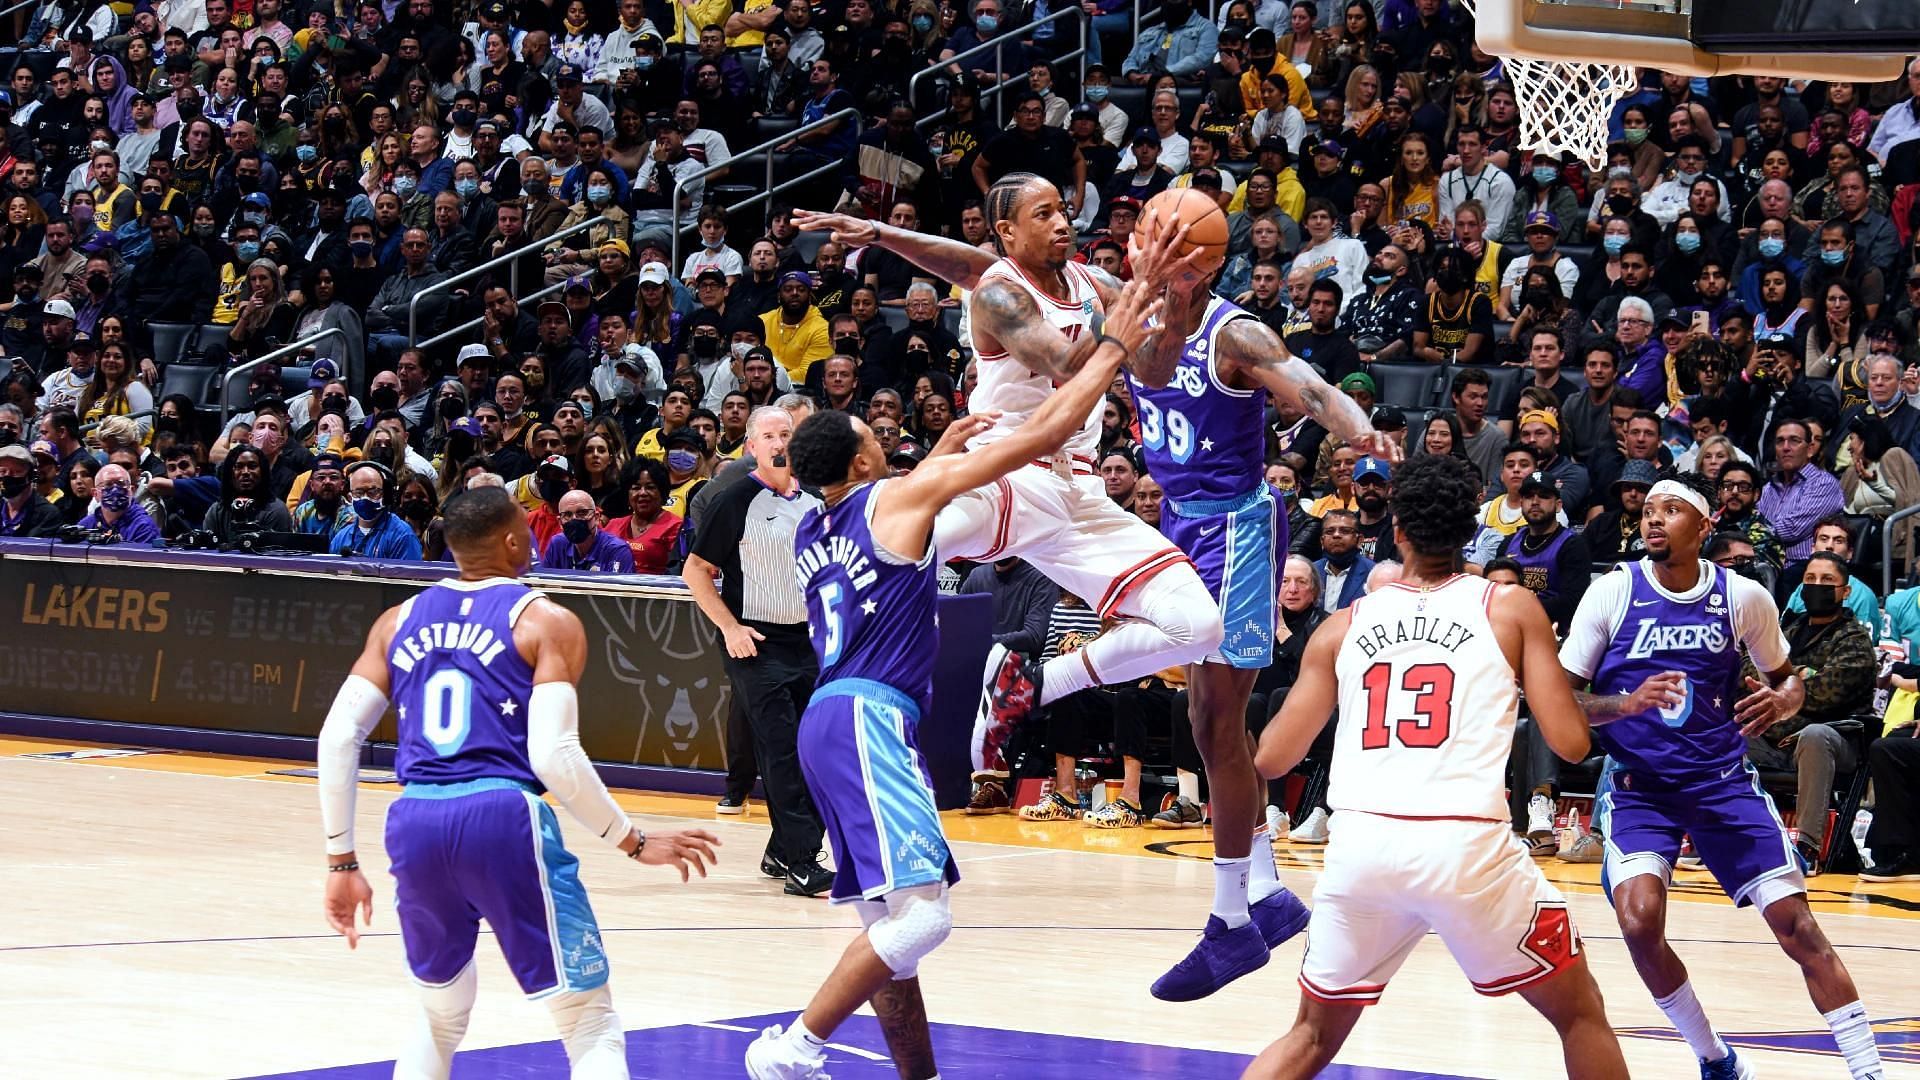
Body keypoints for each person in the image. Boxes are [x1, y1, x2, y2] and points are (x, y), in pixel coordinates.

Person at [745, 286, 1156, 1079]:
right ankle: (794, 1049)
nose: (891, 447)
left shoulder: (813, 525)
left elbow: (885, 516)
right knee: (924, 918)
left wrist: (933, 462)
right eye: (878, 440)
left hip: (827, 722)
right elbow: (1045, 430)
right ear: (866, 462)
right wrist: (1112, 347)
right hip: (868, 715)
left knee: (890, 933)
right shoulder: (898, 496)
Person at [790, 179, 1233, 808]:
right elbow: (1067, 362)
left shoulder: (1095, 287)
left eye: (1063, 210)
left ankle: (1033, 686)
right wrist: (1141, 288)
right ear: (1007, 233)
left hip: (1076, 490)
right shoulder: (999, 293)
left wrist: (1177, 294)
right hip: (1000, 474)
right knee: (889, 550)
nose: (1062, 222)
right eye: (1043, 214)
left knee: (1198, 625)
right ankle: (837, 714)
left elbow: (1155, 369)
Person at [315, 485, 719, 1080]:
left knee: (438, 1017)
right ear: (510, 541)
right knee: (588, 1021)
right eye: (527, 529)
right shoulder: (545, 619)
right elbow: (554, 756)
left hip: (415, 817)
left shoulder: (395, 621)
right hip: (502, 814)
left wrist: (342, 861)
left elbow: (338, 737)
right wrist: (632, 840)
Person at [1247, 453, 1627, 1080]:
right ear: (1472, 529)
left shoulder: (1344, 625)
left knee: (1311, 1035)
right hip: (1464, 847)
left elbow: (1273, 758)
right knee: (1580, 1014)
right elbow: (1569, 744)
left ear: (1395, 529)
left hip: (1361, 845)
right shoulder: (1509, 609)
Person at [1124, 251, 1390, 1001]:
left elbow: (1309, 386)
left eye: (1172, 255)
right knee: (1206, 718)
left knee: (1213, 718)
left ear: (1199, 270)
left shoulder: (1234, 334)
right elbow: (995, 272)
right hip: (1177, 522)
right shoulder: (1130, 308)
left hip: (1236, 530)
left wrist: (1359, 427)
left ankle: (1230, 922)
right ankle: (1264, 893)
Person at [1560, 472, 1886, 1080]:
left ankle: (1868, 1070)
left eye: (1672, 510)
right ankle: (1716, 1059)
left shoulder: (1743, 597)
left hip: (1721, 781)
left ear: (1704, 528)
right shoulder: (1612, 591)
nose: (1654, 519)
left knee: (1797, 926)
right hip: (1639, 786)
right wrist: (1624, 705)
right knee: (1637, 921)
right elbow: (1560, 697)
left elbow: (1786, 677)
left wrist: (1785, 701)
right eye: (1649, 510)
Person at [683, 406, 832, 898]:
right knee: (784, 752)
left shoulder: (815, 503)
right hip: (756, 644)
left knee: (818, 753)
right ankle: (804, 863)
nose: (778, 442)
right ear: (751, 447)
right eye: (768, 435)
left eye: (786, 433)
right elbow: (695, 571)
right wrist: (730, 628)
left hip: (808, 642)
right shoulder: (735, 500)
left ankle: (781, 848)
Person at [330, 461, 423, 560]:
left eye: (373, 492)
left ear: (385, 495)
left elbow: (408, 574)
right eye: (359, 492)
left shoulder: (402, 536)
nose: (365, 498)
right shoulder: (340, 538)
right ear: (350, 497)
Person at [540, 489, 637, 572]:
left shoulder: (617, 550)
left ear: (596, 517)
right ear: (560, 522)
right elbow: (544, 586)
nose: (574, 519)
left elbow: (618, 592)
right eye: (567, 515)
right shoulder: (557, 544)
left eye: (582, 513)